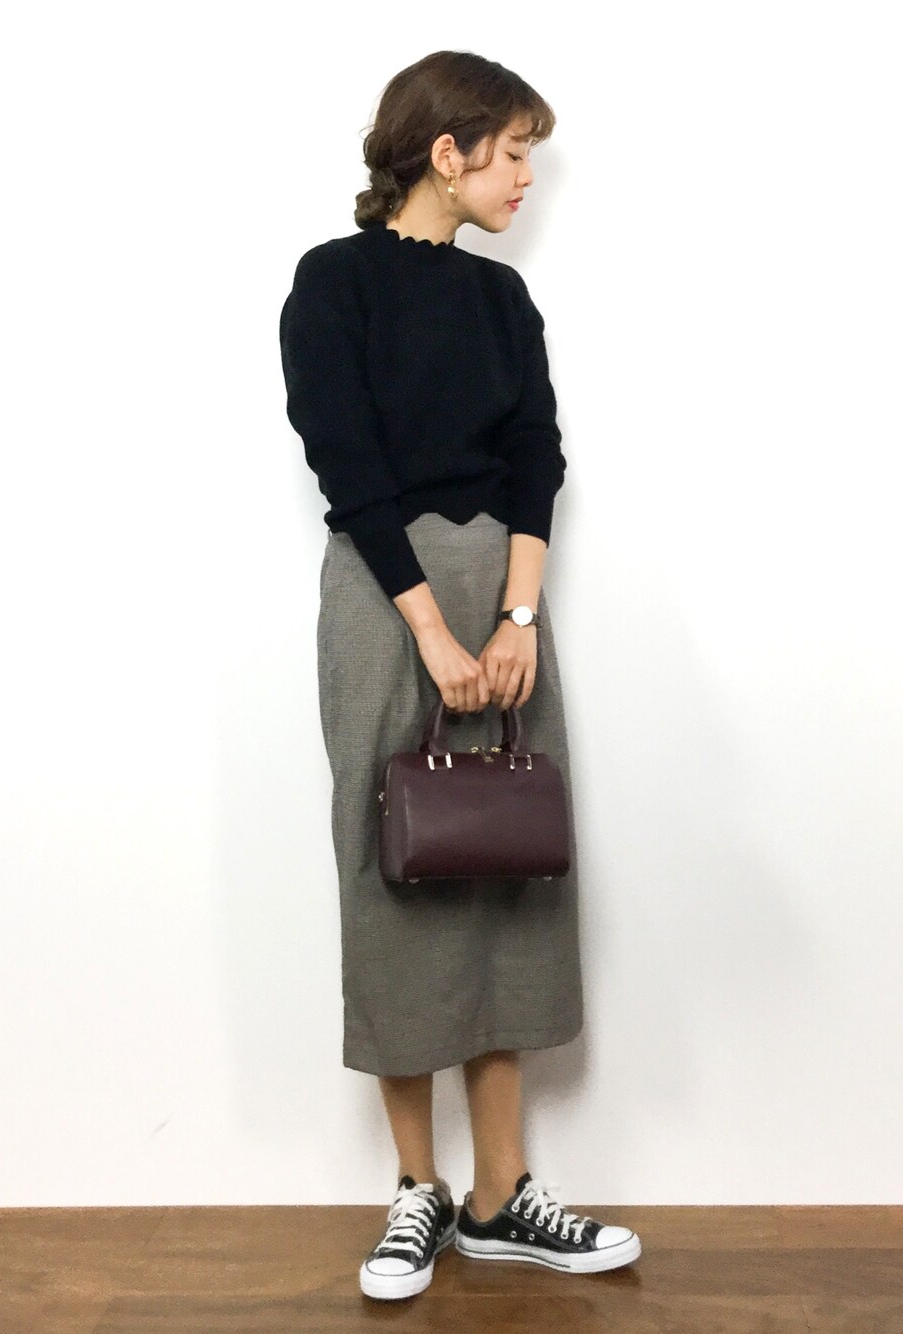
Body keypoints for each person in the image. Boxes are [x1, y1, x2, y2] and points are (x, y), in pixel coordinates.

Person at [278, 50, 641, 1303]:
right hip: (388, 598)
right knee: (396, 859)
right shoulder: (332, 282)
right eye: (514, 151)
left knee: (508, 855)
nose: (527, 177)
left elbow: (538, 455)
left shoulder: (502, 300)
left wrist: (519, 613)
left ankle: (500, 1194)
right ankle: (415, 1190)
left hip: (503, 597)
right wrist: (433, 629)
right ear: (447, 152)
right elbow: (346, 461)